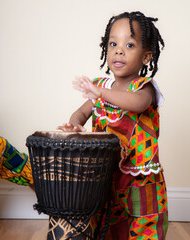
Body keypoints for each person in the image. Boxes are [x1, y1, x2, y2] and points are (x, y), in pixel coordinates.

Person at [57, 11, 168, 240]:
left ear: (146, 57)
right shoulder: (102, 86)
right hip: (108, 174)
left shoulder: (144, 87)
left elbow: (137, 104)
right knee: (109, 224)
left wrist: (101, 93)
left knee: (144, 224)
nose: (119, 49)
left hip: (140, 178)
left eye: (129, 44)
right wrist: (75, 125)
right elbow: (80, 113)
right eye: (113, 43)